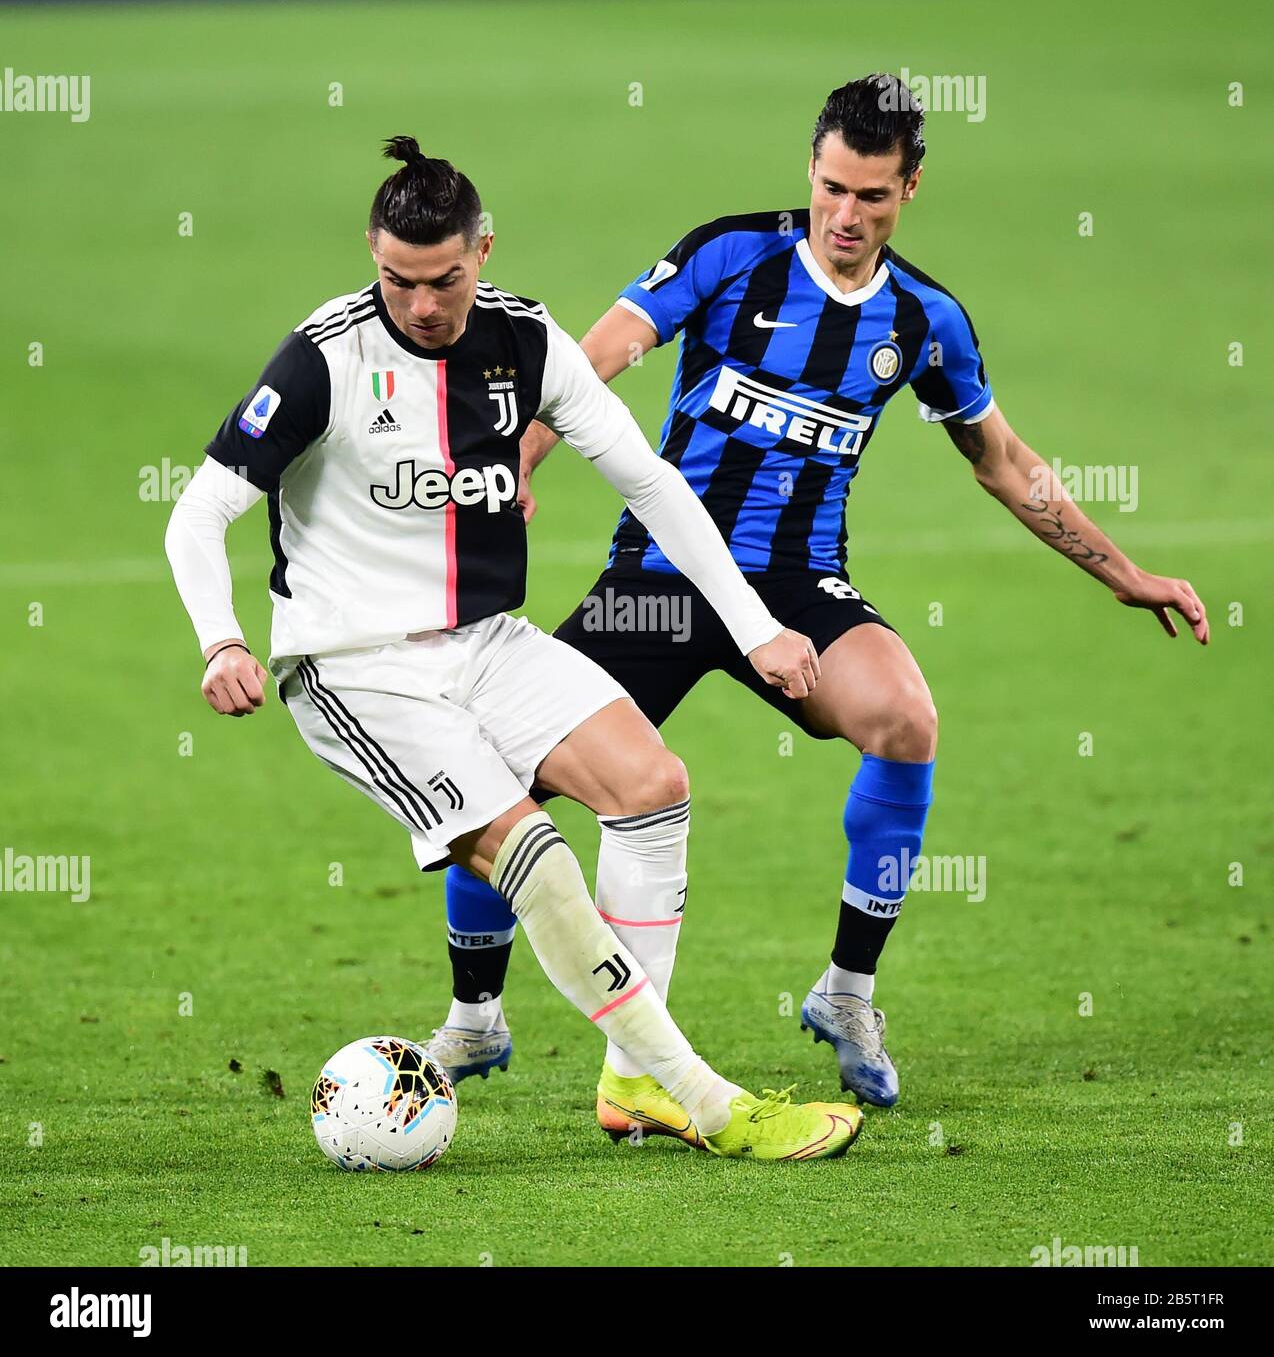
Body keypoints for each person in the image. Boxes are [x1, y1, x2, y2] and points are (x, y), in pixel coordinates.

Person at [433, 76, 1209, 1127]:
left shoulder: (921, 320)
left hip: (796, 584)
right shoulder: (729, 255)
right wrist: (520, 460)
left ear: (910, 188)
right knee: (493, 765)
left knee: (904, 717)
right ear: (810, 168)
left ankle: (846, 995)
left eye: (873, 198)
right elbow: (594, 357)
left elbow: (1002, 460)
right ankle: (475, 1014)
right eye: (833, 189)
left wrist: (1123, 571)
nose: (845, 217)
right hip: (660, 578)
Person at [164, 136, 863, 1162]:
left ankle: (633, 1081)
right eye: (397, 280)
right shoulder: (325, 357)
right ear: (373, 257)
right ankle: (705, 1100)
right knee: (532, 855)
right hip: (354, 666)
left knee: (651, 785)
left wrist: (755, 628)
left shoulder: (526, 343)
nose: (421, 305)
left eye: (444, 278)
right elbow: (197, 514)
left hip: (486, 642)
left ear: (482, 249)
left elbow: (651, 482)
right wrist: (220, 639)